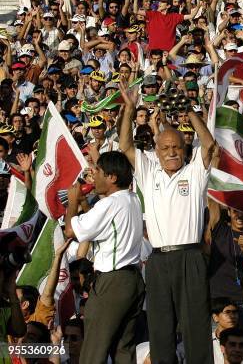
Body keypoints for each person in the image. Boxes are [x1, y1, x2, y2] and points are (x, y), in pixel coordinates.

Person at [119, 85, 216, 363]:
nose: (171, 152)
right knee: (160, 329)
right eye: (165, 148)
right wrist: (128, 110)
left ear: (185, 148)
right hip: (159, 260)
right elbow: (125, 145)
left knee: (195, 327)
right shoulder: (149, 172)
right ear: (157, 151)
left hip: (190, 257)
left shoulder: (195, 171)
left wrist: (189, 113)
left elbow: (209, 145)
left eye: (176, 147)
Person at [64, 151, 145, 363]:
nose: (94, 174)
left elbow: (70, 231)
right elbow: (102, 225)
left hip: (112, 281)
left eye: (98, 170)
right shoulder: (132, 199)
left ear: (112, 177)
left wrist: (72, 202)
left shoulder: (110, 203)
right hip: (132, 279)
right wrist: (84, 204)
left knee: (93, 351)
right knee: (123, 351)